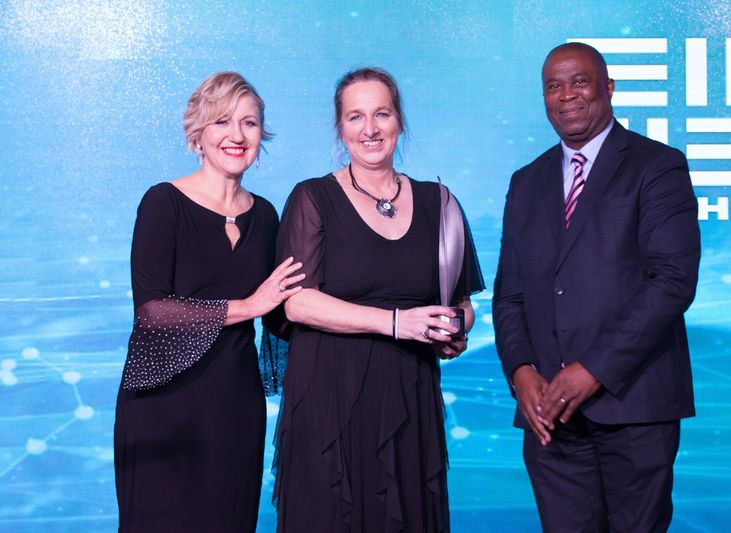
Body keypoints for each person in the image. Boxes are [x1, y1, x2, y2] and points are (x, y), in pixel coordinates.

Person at [493, 42, 700, 532]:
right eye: (553, 86)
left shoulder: (657, 166)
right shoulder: (526, 181)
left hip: (634, 406)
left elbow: (672, 281)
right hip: (550, 419)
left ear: (607, 88)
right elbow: (510, 294)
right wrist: (521, 372)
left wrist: (594, 370)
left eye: (580, 81)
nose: (567, 95)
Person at [272, 67, 484, 533]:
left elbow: (463, 301)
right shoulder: (312, 198)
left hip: (409, 396)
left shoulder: (440, 202)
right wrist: (395, 322)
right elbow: (297, 304)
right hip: (329, 399)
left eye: (381, 113)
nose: (370, 129)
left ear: (399, 121)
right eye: (355, 117)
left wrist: (454, 325)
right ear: (340, 127)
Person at [114, 72, 303, 532]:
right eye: (221, 122)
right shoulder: (163, 203)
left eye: (250, 123)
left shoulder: (266, 215)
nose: (236, 136)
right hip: (162, 407)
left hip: (235, 407)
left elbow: (280, 315)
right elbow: (152, 311)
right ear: (198, 134)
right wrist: (247, 307)